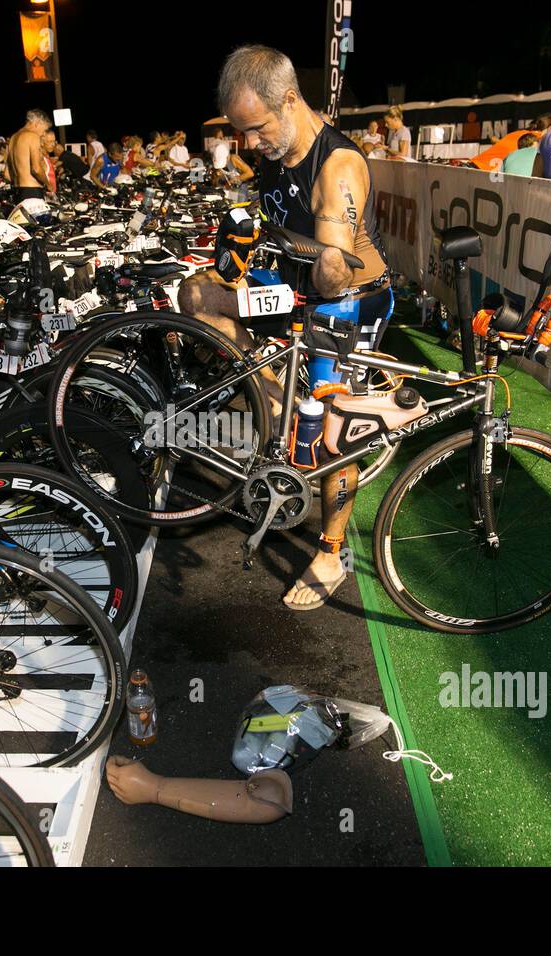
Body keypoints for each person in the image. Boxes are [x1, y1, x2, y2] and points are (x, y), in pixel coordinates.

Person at [176, 45, 391, 612]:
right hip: (295, 289)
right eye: (240, 132)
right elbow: (264, 218)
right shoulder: (273, 147)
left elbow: (335, 275)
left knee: (333, 427)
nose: (248, 144)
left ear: (290, 101)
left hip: (346, 300)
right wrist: (238, 238)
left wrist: (313, 253)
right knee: (196, 293)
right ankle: (274, 401)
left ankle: (331, 551)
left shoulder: (337, 166)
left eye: (255, 129)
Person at [7, 110, 53, 201]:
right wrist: (49, 185)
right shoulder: (32, 136)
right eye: (44, 130)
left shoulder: (12, 138)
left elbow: (6, 174)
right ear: (36, 123)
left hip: (17, 192)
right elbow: (36, 169)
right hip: (32, 192)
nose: (43, 134)